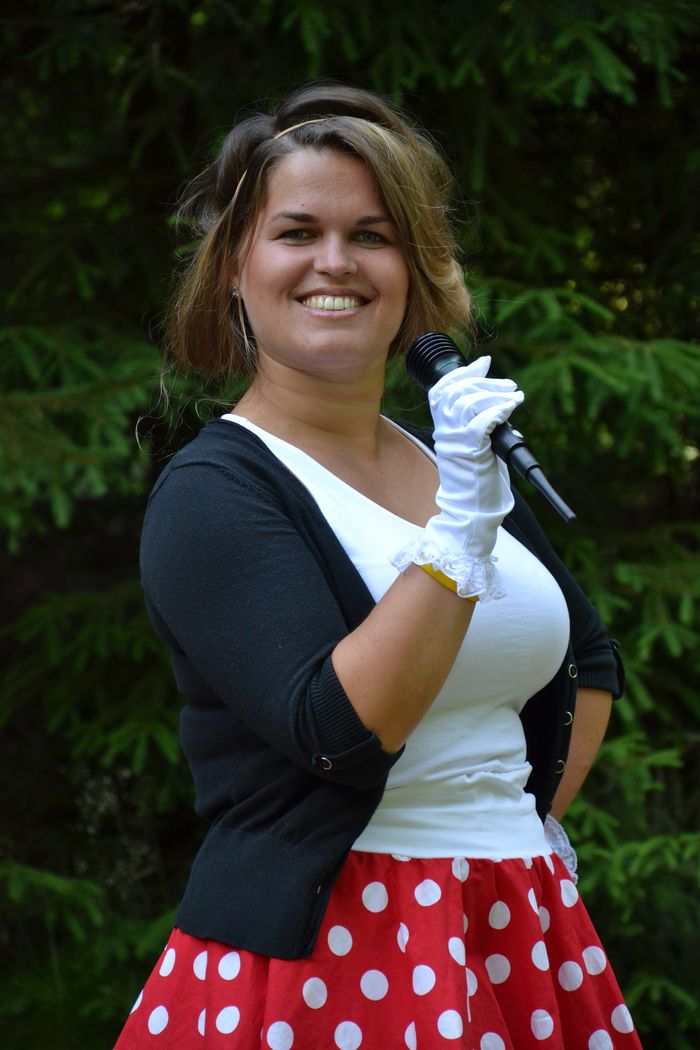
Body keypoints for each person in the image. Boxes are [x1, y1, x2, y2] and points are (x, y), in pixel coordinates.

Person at [115, 83, 642, 1049]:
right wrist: (459, 531)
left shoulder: (454, 457)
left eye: (373, 235)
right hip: (338, 948)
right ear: (235, 267)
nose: (336, 262)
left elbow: (589, 657)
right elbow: (342, 730)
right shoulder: (212, 493)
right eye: (297, 232)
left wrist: (503, 836)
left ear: (412, 269)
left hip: (516, 921)